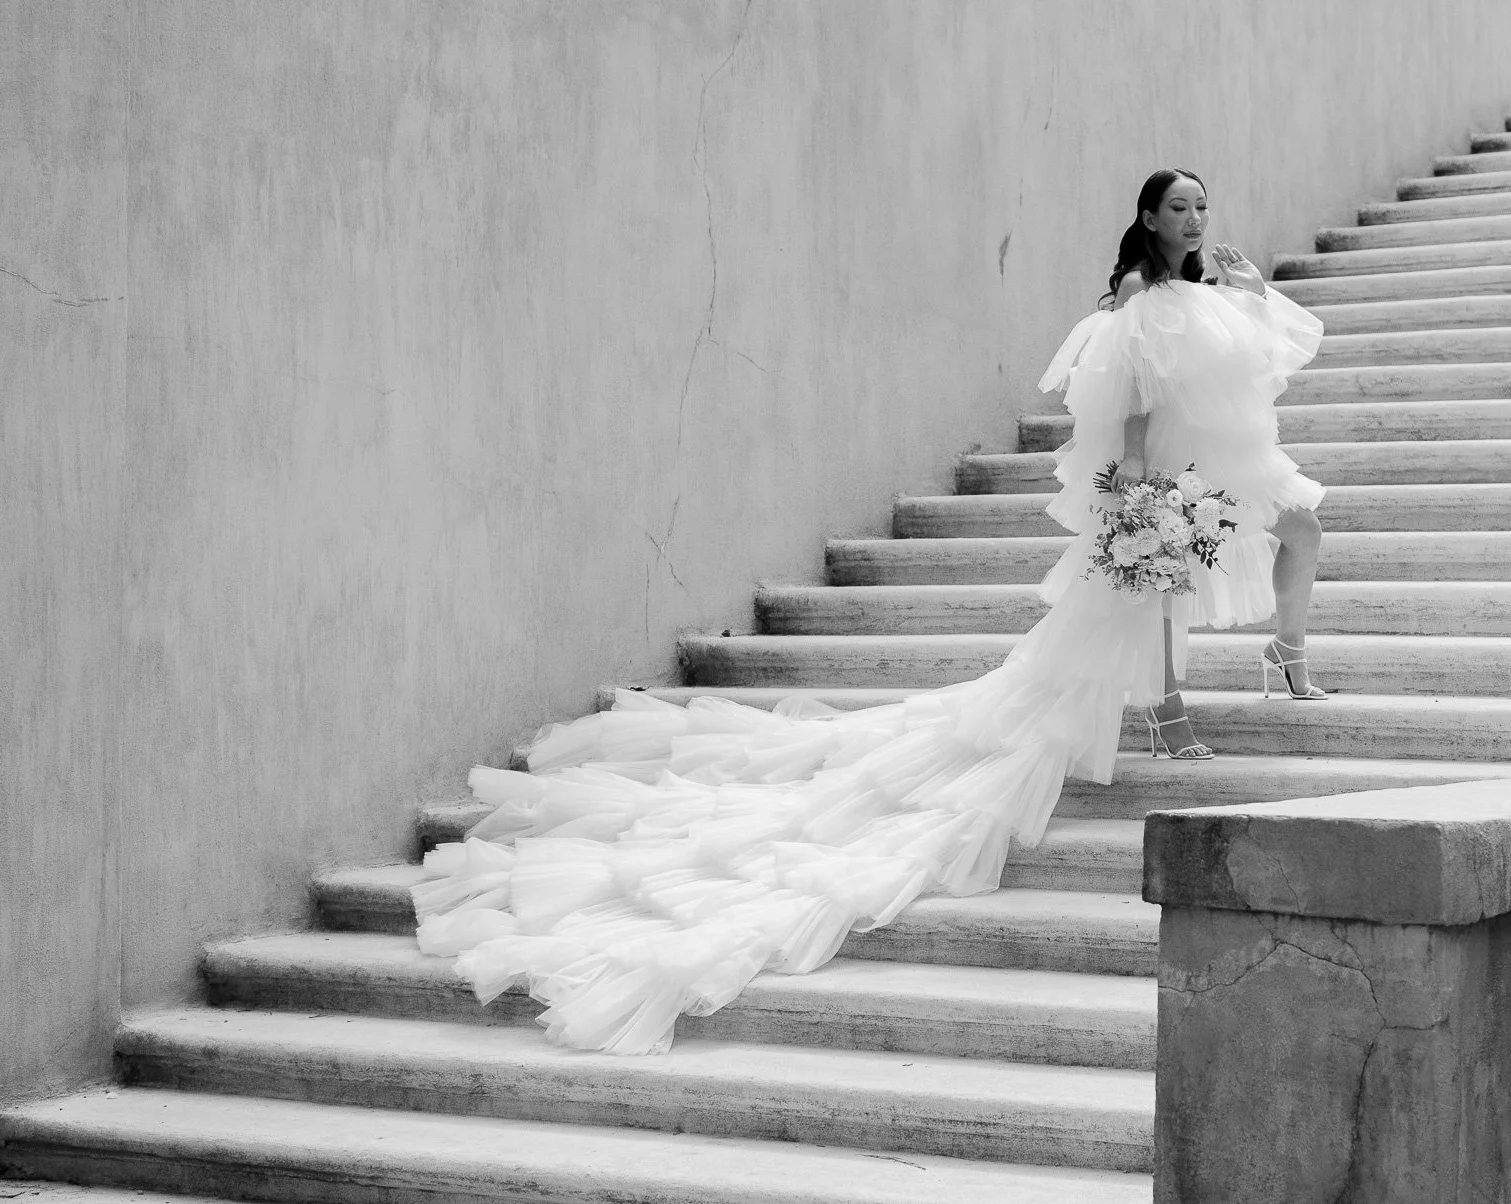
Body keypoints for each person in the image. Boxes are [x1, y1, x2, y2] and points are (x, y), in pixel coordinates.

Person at [410, 167, 1329, 1055]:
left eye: (1203, 204)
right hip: (1173, 463)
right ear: (1150, 217)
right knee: (1156, 588)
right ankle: (1165, 712)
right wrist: (1132, 482)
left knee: (1306, 529)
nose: (1198, 217)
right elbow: (1129, 397)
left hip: (1237, 457)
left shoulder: (1212, 282)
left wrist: (1248, 291)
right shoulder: (1136, 295)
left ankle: (1283, 653)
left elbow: (1253, 362)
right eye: (1181, 206)